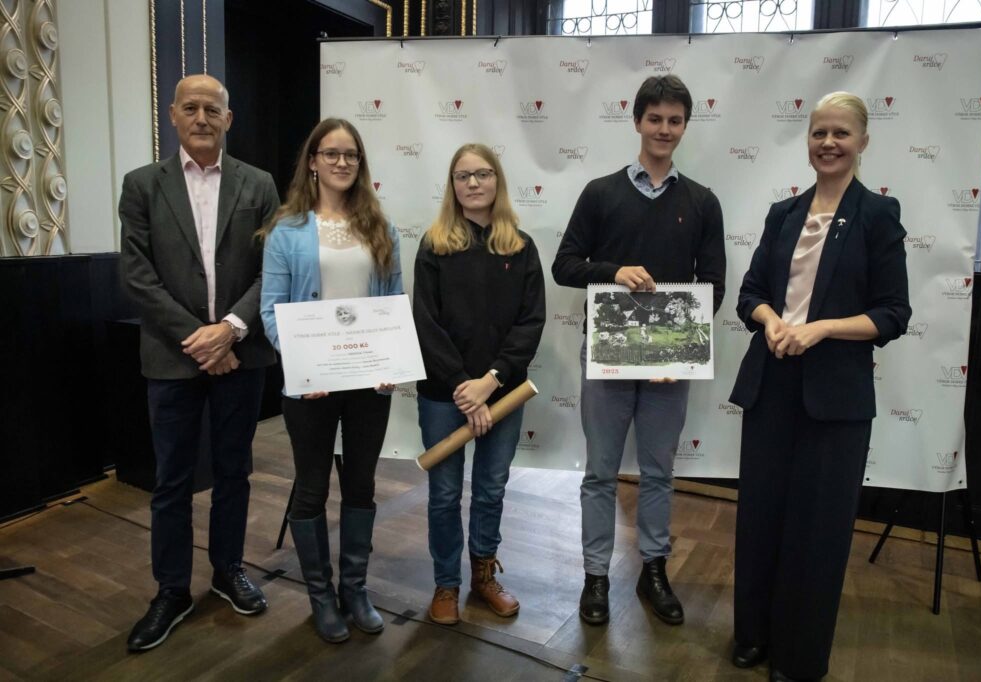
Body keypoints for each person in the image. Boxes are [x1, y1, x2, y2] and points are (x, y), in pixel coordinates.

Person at [728, 92, 911, 682]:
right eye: (818, 133)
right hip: (771, 386)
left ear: (862, 141)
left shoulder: (878, 216)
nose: (828, 143)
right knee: (761, 518)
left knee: (818, 531)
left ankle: (800, 656)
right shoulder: (783, 214)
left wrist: (823, 329)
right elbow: (749, 293)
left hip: (836, 400)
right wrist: (773, 321)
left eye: (840, 133)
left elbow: (893, 314)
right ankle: (753, 634)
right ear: (806, 140)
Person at [552, 75, 726, 626]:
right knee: (601, 473)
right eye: (655, 119)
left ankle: (654, 570)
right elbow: (564, 265)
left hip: (669, 365)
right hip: (606, 355)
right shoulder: (601, 193)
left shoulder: (703, 201)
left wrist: (684, 353)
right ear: (636, 121)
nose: (664, 130)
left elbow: (714, 284)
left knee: (657, 472)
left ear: (685, 126)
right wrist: (613, 272)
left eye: (675, 121)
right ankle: (596, 576)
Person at [120, 74, 279, 652]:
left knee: (235, 471)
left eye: (213, 109)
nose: (202, 117)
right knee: (172, 482)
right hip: (173, 357)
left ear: (228, 119)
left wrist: (230, 330)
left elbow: (274, 271)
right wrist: (200, 339)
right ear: (173, 115)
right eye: (191, 107)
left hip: (243, 354)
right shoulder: (141, 185)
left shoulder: (259, 185)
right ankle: (171, 590)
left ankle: (228, 569)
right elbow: (137, 276)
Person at [260, 118, 402, 643]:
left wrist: (391, 361)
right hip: (311, 383)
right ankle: (321, 596)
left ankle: (355, 590)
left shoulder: (379, 229)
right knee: (312, 487)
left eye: (351, 155)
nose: (342, 162)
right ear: (313, 161)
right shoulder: (287, 231)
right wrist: (302, 366)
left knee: (361, 485)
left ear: (359, 165)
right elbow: (271, 311)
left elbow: (393, 305)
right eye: (332, 153)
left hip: (368, 381)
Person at [413, 143, 545, 625]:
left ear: (497, 181)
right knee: (445, 494)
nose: (473, 183)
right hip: (444, 395)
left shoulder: (521, 247)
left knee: (490, 488)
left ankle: (483, 576)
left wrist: (489, 383)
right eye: (463, 176)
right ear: (452, 185)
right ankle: (445, 585)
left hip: (504, 393)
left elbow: (530, 324)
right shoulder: (434, 245)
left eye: (482, 174)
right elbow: (426, 324)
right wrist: (463, 390)